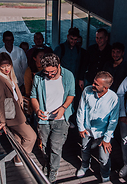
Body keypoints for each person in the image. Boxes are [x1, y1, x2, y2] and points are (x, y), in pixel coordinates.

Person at [30, 53, 75, 183]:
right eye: (46, 72)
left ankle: (53, 170)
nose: (49, 75)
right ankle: (47, 163)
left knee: (56, 147)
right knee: (44, 145)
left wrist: (63, 108)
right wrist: (37, 109)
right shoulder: (38, 77)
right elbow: (33, 96)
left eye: (52, 72)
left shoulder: (68, 75)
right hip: (44, 119)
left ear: (59, 66)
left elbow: (71, 94)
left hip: (61, 120)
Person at [0, 52, 37, 166]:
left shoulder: (9, 76)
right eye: (2, 66)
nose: (6, 68)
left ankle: (18, 159)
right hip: (12, 116)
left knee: (18, 138)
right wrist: (2, 121)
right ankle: (20, 158)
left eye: (8, 65)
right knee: (31, 137)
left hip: (17, 113)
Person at [76, 71, 119, 183]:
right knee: (84, 149)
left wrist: (107, 139)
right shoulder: (87, 90)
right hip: (87, 128)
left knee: (104, 157)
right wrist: (81, 127)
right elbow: (81, 110)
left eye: (96, 84)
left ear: (105, 88)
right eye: (94, 82)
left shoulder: (113, 98)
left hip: (103, 132)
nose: (93, 85)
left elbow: (113, 120)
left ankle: (105, 175)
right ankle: (84, 166)